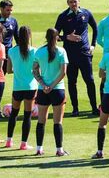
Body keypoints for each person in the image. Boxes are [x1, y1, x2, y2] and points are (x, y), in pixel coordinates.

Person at [54, 0, 98, 116]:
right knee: (72, 82)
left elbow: (95, 28)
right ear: (67, 3)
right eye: (71, 2)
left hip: (84, 53)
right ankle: (75, 109)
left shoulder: (86, 13)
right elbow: (54, 36)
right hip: (69, 55)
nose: (73, 4)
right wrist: (67, 37)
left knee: (89, 80)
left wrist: (93, 45)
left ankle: (94, 108)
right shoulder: (62, 16)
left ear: (79, 1)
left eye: (75, 1)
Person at [33, 28, 69, 156]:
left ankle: (39, 149)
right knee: (57, 121)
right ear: (57, 37)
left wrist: (44, 85)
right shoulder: (61, 51)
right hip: (57, 90)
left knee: (41, 121)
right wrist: (52, 86)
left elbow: (35, 71)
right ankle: (59, 150)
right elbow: (63, 72)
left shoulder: (39, 52)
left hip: (43, 91)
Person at [5, 26, 37, 150]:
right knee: (27, 115)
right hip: (30, 87)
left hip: (17, 87)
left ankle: (9, 141)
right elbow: (36, 70)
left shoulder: (12, 51)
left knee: (14, 114)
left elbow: (8, 70)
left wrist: (18, 70)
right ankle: (23, 143)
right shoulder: (34, 51)